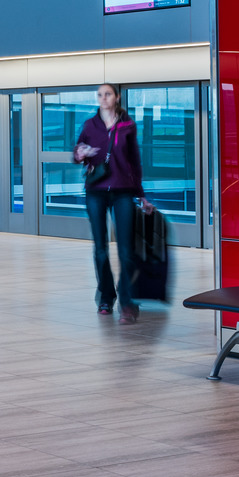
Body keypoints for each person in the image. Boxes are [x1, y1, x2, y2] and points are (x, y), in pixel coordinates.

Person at [74, 83, 143, 320]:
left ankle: (126, 301)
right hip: (96, 190)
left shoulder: (127, 125)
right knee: (101, 250)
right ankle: (106, 297)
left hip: (123, 191)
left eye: (108, 94)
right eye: (100, 95)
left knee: (126, 251)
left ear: (117, 97)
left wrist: (141, 194)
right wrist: (80, 153)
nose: (103, 98)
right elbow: (76, 152)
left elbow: (135, 161)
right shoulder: (89, 125)